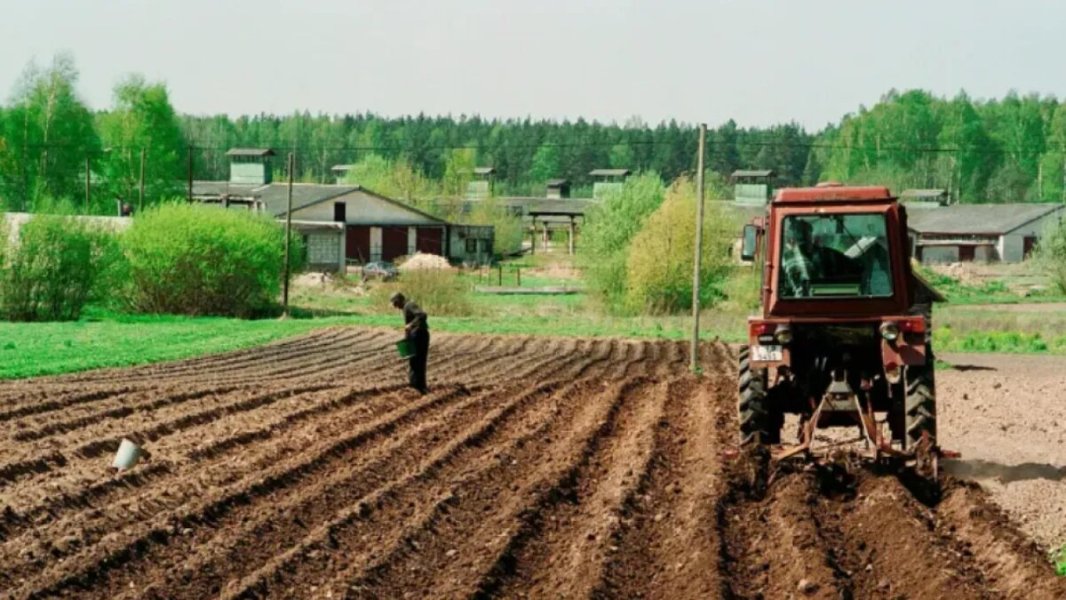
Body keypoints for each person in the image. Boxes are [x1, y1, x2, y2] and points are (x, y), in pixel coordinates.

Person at [391, 292, 430, 394]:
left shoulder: (409, 305)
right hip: (416, 335)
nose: (395, 306)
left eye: (395, 304)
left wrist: (411, 325)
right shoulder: (406, 307)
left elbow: (422, 315)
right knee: (416, 362)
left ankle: (416, 386)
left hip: (419, 335)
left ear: (399, 300)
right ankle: (419, 386)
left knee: (417, 361)